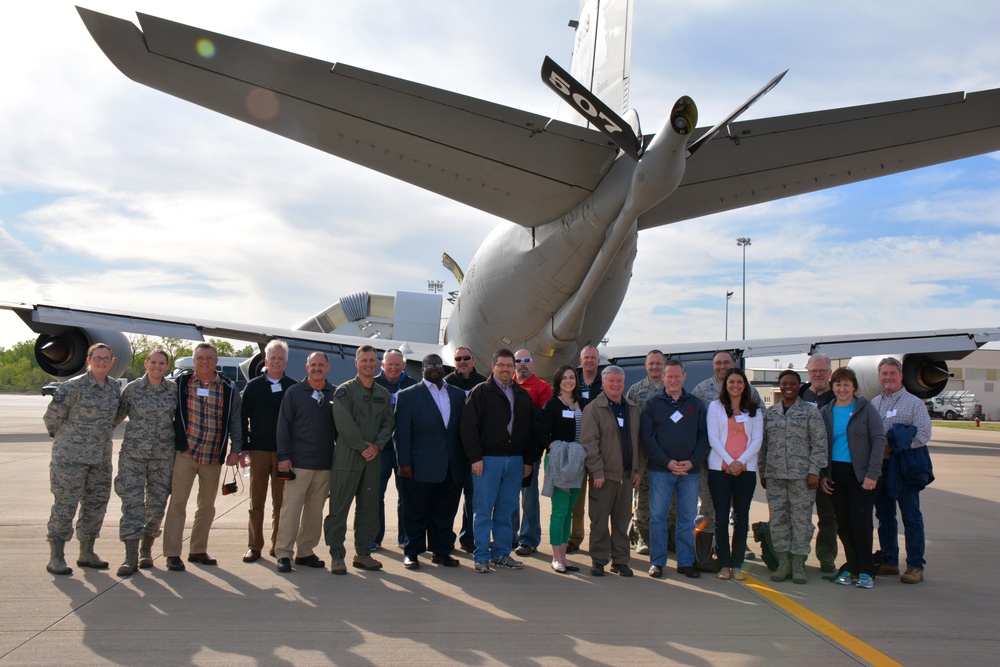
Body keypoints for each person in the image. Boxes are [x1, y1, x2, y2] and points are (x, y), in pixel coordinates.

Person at [163, 343, 243, 571]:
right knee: (177, 504)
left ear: (216, 361)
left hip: (213, 456)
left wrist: (235, 449)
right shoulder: (180, 384)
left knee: (207, 507)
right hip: (185, 454)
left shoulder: (228, 387)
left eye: (209, 358)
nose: (204, 362)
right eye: (200, 358)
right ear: (194, 361)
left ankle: (198, 550)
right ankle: (172, 553)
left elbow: (235, 420)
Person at [43, 343, 122, 575]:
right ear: (88, 360)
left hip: (100, 458)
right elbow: (52, 418)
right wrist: (68, 440)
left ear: (112, 362)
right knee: (65, 505)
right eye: (97, 358)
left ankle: (87, 552)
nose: (102, 362)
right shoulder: (73, 387)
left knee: (96, 505)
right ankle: (56, 556)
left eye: (106, 358)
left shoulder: (115, 387)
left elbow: (113, 419)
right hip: (70, 459)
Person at [460, 349, 535, 573]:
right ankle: (481, 555)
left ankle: (501, 553)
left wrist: (528, 461)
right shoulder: (480, 392)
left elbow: (531, 431)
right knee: (483, 510)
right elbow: (468, 428)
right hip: (487, 461)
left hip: (514, 462)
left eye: (509, 365)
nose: (505, 369)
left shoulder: (522, 396)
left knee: (506, 511)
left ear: (514, 368)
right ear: (493, 367)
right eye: (500, 365)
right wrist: (475, 458)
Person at [324, 345, 394, 574]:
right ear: (356, 363)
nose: (368, 364)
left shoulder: (383, 394)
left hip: (372, 460)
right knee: (339, 508)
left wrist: (378, 445)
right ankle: (336, 555)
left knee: (369, 508)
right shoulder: (344, 392)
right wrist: (364, 446)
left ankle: (363, 554)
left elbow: (388, 423)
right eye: (364, 360)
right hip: (347, 459)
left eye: (372, 360)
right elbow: (343, 423)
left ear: (377, 363)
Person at [394, 354, 467, 570]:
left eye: (437, 364)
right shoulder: (407, 396)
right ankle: (412, 552)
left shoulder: (457, 395)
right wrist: (403, 463)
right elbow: (401, 432)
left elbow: (462, 430)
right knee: (416, 513)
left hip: (451, 467)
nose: (434, 368)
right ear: (422, 368)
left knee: (444, 513)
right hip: (418, 467)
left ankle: (441, 551)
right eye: (429, 365)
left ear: (443, 368)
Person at [640, 360, 709, 579]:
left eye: (677, 376)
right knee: (658, 517)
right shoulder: (652, 404)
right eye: (669, 376)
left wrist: (693, 461)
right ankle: (657, 562)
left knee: (687, 519)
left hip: (690, 471)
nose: (673, 380)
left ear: (684, 377)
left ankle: (685, 562)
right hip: (661, 470)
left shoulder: (696, 404)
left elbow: (704, 437)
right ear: (663, 378)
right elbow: (647, 438)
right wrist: (667, 462)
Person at [112, 349, 177, 576]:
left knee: (157, 505)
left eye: (161, 363)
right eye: (153, 362)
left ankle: (146, 550)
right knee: (132, 505)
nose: (157, 366)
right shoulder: (132, 390)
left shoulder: (174, 391)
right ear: (146, 363)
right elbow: (115, 418)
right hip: (133, 456)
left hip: (163, 457)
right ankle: (130, 557)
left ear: (167, 366)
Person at [819, 367, 885, 589]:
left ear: (854, 387)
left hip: (861, 476)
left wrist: (872, 473)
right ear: (833, 387)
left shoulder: (865, 409)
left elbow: (878, 440)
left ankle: (867, 570)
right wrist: (823, 475)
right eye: (838, 384)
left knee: (860, 522)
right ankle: (852, 565)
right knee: (843, 524)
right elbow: (821, 445)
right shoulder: (827, 411)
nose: (842, 388)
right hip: (836, 475)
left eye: (846, 384)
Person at [759, 370, 827, 584]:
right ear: (780, 386)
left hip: (802, 478)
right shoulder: (770, 414)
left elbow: (819, 443)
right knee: (778, 519)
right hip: (775, 475)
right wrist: (763, 472)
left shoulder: (810, 413)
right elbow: (763, 446)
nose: (789, 387)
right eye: (784, 383)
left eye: (793, 384)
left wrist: (814, 471)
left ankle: (798, 563)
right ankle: (783, 562)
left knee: (801, 521)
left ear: (799, 386)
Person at [872, 356, 933, 584]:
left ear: (901, 376)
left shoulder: (914, 403)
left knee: (911, 515)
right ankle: (889, 560)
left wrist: (896, 444)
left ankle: (916, 565)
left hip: (904, 466)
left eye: (892, 374)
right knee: (885, 515)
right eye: (884, 374)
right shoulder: (874, 403)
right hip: (882, 467)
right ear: (880, 377)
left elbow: (924, 434)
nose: (888, 377)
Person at [274, 352, 336, 574]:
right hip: (298, 463)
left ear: (328, 367)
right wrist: (283, 457)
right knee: (291, 510)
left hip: (324, 464)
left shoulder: (335, 393)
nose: (317, 368)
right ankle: (283, 553)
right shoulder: (294, 393)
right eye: (313, 364)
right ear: (306, 367)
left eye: (321, 365)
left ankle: (306, 551)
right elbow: (283, 427)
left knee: (314, 511)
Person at [581, 366, 643, 577]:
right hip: (603, 477)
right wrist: (597, 472)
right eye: (611, 381)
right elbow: (589, 443)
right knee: (599, 521)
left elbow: (639, 443)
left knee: (622, 520)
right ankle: (599, 560)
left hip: (626, 475)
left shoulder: (633, 409)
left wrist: (638, 470)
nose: (616, 385)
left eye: (619, 381)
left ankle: (620, 560)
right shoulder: (594, 408)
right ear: (604, 383)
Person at [239, 340, 297, 563]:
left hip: (284, 454)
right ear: (266, 361)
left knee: (281, 504)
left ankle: (278, 545)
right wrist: (244, 447)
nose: (276, 362)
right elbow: (243, 419)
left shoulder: (293, 387)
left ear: (286, 362)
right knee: (256, 503)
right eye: (272, 358)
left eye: (280, 358)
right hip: (259, 451)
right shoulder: (253, 386)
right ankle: (254, 546)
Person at [692, 351, 762, 530]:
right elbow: (692, 420)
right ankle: (708, 546)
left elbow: (761, 419)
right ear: (713, 365)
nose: (722, 366)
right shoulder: (701, 389)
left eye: (726, 362)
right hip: (711, 462)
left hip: (741, 462)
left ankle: (739, 544)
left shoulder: (749, 390)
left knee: (739, 507)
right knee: (708, 504)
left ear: (733, 363)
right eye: (718, 363)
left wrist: (741, 460)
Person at [706, 368, 762, 581]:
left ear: (745, 385)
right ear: (725, 385)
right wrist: (730, 462)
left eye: (739, 382)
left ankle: (737, 564)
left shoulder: (754, 410)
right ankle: (723, 563)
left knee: (741, 518)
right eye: (731, 382)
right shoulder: (715, 407)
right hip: (720, 470)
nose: (735, 386)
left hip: (745, 471)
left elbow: (757, 440)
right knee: (720, 518)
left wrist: (740, 462)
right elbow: (714, 438)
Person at [539, 365, 588, 573]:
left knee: (569, 511)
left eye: (572, 377)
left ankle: (565, 555)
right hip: (559, 461)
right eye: (565, 378)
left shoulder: (583, 403)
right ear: (558, 381)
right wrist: (556, 448)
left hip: (578, 462)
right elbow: (542, 434)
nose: (569, 381)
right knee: (559, 511)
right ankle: (556, 557)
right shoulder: (552, 405)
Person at [372, 348, 417, 552]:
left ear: (403, 366)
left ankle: (405, 537)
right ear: (383, 365)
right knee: (375, 495)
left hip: (404, 451)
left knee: (406, 496)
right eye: (389, 364)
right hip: (380, 449)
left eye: (397, 364)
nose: (393, 368)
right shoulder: (372, 384)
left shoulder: (413, 385)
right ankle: (374, 537)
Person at [444, 346, 487, 553]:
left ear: (473, 359)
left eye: (466, 358)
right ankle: (445, 537)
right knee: (448, 499)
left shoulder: (484, 383)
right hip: (452, 451)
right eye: (458, 358)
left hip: (474, 453)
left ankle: (468, 538)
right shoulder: (446, 383)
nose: (462, 361)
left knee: (473, 499)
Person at [799, 353, 839, 575]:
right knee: (800, 516)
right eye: (814, 371)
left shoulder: (839, 396)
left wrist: (823, 471)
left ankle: (826, 556)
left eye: (823, 371)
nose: (818, 375)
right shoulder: (800, 393)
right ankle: (798, 556)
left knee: (828, 516)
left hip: (827, 469)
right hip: (801, 468)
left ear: (830, 373)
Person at [511, 349, 551, 557]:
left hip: (529, 453)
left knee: (528, 497)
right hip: (508, 452)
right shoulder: (506, 385)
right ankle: (509, 536)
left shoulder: (542, 387)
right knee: (508, 496)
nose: (522, 364)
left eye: (526, 360)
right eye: (518, 361)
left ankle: (529, 539)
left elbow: (542, 422)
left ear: (533, 364)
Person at [626, 349, 665, 555]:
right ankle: (641, 535)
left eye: (659, 364)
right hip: (644, 454)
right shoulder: (636, 390)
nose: (655, 367)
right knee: (643, 497)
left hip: (668, 455)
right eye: (651, 364)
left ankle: (668, 536)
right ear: (646, 365)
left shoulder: (672, 388)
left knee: (670, 499)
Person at [569, 345, 603, 552]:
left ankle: (597, 540)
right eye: (586, 358)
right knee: (577, 500)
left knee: (599, 500)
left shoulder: (605, 381)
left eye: (593, 357)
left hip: (600, 450)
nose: (589, 361)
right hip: (578, 449)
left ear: (598, 361)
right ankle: (575, 537)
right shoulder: (573, 382)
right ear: (580, 361)